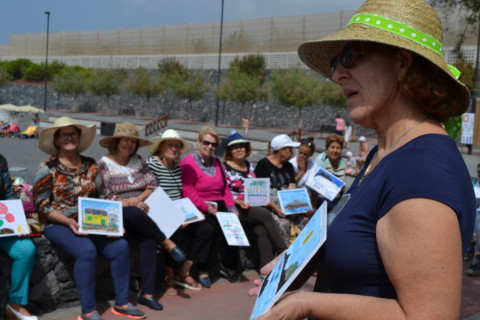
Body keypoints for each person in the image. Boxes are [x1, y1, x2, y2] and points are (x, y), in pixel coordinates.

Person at [250, 0, 476, 318]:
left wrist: (305, 302)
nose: (338, 74)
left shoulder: (420, 169)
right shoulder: (386, 151)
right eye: (334, 64)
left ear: (401, 63)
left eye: (349, 57)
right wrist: (300, 263)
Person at [33, 117, 145, 320]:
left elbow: (102, 197)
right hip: (58, 224)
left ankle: (122, 302)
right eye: (65, 134)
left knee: (120, 247)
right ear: (57, 140)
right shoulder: (47, 167)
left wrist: (113, 224)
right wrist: (67, 221)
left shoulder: (92, 165)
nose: (70, 138)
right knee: (86, 250)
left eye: (73, 134)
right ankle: (88, 310)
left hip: (92, 221)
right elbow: (42, 205)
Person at [97, 123, 186, 310]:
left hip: (140, 212)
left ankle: (147, 293)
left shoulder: (138, 160)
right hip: (118, 211)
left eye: (132, 141)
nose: (129, 144)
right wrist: (131, 202)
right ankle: (168, 243)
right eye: (125, 140)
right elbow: (105, 195)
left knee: (148, 242)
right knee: (134, 213)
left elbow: (152, 185)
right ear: (117, 142)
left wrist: (138, 198)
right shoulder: (104, 164)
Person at [180, 126, 242, 288]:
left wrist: (232, 208)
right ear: (198, 142)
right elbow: (187, 190)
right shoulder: (188, 163)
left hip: (218, 203)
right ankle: (202, 269)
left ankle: (229, 265)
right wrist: (205, 207)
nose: (210, 147)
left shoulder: (217, 163)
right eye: (206, 142)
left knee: (233, 226)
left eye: (214, 144)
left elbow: (225, 189)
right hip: (199, 205)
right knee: (210, 227)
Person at [146, 129, 207, 293]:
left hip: (177, 210)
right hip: (158, 211)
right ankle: (169, 275)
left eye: (176, 146)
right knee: (176, 230)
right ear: (161, 148)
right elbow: (152, 195)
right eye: (170, 145)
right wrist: (176, 216)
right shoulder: (152, 165)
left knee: (206, 228)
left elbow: (179, 195)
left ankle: (185, 270)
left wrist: (191, 212)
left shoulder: (177, 168)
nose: (174, 149)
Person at [223, 131, 287, 269]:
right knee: (265, 215)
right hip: (236, 208)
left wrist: (277, 208)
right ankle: (283, 250)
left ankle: (266, 268)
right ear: (229, 151)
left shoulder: (250, 165)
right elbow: (222, 192)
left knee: (261, 230)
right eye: (235, 147)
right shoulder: (223, 168)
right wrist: (238, 202)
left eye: (242, 146)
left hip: (252, 207)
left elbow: (259, 188)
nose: (239, 149)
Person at [0, 155, 38, 320]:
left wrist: (19, 222)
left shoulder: (1, 160)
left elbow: (10, 193)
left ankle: (15, 304)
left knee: (26, 249)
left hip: (2, 223)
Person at [255, 134, 309, 245]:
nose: (291, 153)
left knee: (307, 221)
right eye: (290, 150)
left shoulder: (288, 166)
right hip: (271, 206)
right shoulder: (263, 165)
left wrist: (301, 207)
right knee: (284, 225)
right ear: (281, 150)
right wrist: (277, 209)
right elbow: (262, 193)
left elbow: (292, 188)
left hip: (286, 206)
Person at [288, 137, 319, 205]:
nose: (301, 156)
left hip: (308, 199)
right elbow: (289, 184)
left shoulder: (313, 165)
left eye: (305, 154)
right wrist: (301, 172)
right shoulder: (291, 164)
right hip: (294, 198)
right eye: (300, 153)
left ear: (311, 154)